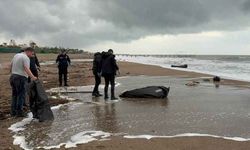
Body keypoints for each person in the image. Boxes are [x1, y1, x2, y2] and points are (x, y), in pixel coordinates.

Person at [9, 47, 37, 117]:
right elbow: (26, 68)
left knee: (14, 95)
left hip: (13, 76)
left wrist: (12, 73)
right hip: (21, 78)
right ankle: (19, 112)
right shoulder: (26, 58)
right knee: (21, 95)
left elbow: (11, 65)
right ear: (29, 51)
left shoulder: (16, 55)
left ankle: (13, 112)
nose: (32, 55)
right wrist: (33, 77)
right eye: (32, 53)